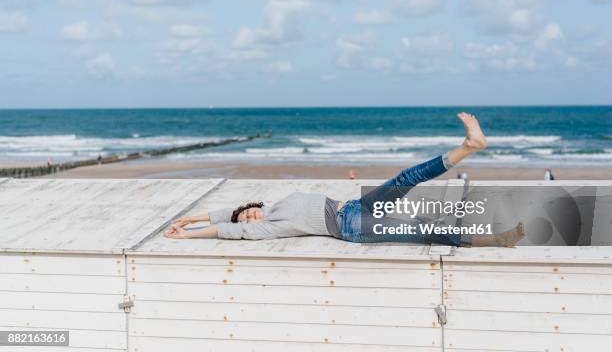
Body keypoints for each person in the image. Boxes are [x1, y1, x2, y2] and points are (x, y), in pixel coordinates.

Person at [164, 112, 524, 247]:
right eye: (246, 222)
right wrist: (189, 234)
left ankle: (468, 146)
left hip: (354, 205)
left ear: (253, 207)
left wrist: (190, 216)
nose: (249, 219)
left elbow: (226, 213)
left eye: (248, 213)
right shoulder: (266, 227)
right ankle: (498, 239)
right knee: (423, 230)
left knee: (406, 176)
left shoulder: (271, 206)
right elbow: (227, 227)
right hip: (351, 226)